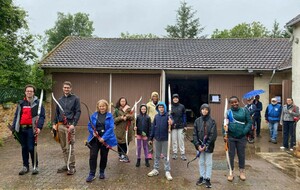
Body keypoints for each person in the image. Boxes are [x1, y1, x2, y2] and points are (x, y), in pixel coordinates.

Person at [13, 84, 45, 175]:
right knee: (24, 148)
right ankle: (25, 166)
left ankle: (35, 166)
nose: (29, 92)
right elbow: (17, 116)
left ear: (33, 92)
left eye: (31, 91)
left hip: (32, 129)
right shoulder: (21, 103)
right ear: (25, 92)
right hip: (22, 129)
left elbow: (42, 116)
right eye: (28, 91)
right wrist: (14, 127)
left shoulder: (38, 103)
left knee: (31, 148)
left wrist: (39, 127)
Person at [52, 81, 81, 175]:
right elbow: (56, 113)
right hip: (60, 126)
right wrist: (54, 123)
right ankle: (67, 164)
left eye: (68, 87)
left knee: (70, 147)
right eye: (65, 87)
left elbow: (78, 112)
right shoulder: (60, 100)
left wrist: (73, 124)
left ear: (71, 88)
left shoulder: (75, 98)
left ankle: (72, 167)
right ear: (62, 88)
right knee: (64, 147)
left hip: (70, 126)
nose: (66, 89)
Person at [85, 99, 117, 182]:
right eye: (100, 106)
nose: (102, 107)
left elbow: (111, 128)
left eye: (103, 106)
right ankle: (92, 174)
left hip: (105, 140)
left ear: (106, 107)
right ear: (98, 107)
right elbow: (89, 126)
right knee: (93, 156)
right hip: (95, 139)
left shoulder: (109, 116)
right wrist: (93, 132)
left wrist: (104, 138)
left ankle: (102, 172)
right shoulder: (94, 115)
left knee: (104, 156)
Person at [223, 96, 252, 181]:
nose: (234, 104)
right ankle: (231, 172)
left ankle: (242, 171)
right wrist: (224, 135)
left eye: (235, 102)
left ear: (238, 102)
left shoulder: (244, 111)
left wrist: (244, 131)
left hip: (241, 137)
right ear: (230, 104)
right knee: (231, 155)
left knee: (241, 154)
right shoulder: (228, 112)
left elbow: (249, 122)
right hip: (231, 137)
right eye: (232, 102)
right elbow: (224, 124)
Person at [147, 102, 173, 181]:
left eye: (162, 107)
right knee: (157, 155)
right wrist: (151, 138)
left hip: (165, 139)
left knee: (166, 155)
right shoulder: (156, 116)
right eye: (159, 107)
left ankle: (167, 171)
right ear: (157, 108)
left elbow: (172, 123)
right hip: (157, 139)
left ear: (164, 108)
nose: (161, 108)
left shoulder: (168, 116)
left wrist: (171, 123)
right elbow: (153, 128)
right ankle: (156, 169)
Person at [193, 104, 217, 188]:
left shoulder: (212, 121)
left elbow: (213, 135)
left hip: (209, 146)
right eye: (203, 109)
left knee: (208, 162)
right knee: (201, 162)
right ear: (200, 110)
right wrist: (198, 145)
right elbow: (194, 134)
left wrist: (206, 145)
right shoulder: (197, 121)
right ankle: (202, 177)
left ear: (208, 111)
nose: (204, 111)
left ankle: (208, 178)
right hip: (199, 146)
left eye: (206, 109)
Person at [113, 97, 134, 162]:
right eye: (121, 101)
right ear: (119, 102)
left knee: (126, 142)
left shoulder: (129, 109)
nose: (123, 102)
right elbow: (114, 120)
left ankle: (124, 154)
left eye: (124, 101)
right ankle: (121, 154)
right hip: (120, 130)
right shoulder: (116, 110)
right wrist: (121, 118)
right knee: (120, 142)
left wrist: (127, 116)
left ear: (126, 102)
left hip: (127, 129)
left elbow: (133, 117)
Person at [171, 94, 187, 161]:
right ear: (172, 99)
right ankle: (175, 153)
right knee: (174, 140)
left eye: (176, 98)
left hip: (181, 126)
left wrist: (185, 125)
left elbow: (184, 116)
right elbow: (169, 117)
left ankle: (182, 154)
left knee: (181, 140)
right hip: (173, 127)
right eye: (174, 98)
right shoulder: (170, 107)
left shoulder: (182, 106)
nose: (175, 99)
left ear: (178, 99)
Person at [146, 91, 160, 159]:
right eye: (153, 96)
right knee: (150, 138)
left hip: (158, 122)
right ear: (152, 97)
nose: (155, 97)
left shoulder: (160, 104)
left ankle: (159, 152)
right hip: (151, 123)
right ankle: (150, 153)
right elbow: (146, 114)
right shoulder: (148, 104)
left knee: (158, 138)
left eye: (156, 96)